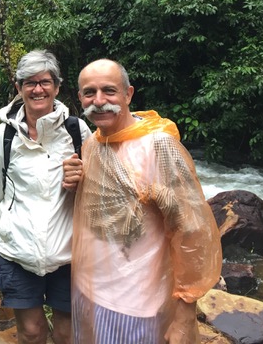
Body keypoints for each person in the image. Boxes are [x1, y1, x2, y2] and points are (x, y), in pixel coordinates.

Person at [64, 58, 222, 343]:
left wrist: (185, 312)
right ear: (80, 98)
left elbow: (192, 230)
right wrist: (72, 184)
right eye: (89, 93)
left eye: (109, 91)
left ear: (128, 94)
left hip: (139, 302)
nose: (99, 101)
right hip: (89, 291)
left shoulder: (159, 146)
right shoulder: (91, 145)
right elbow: (102, 211)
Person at [0, 49, 92, 344]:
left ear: (57, 86)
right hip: (16, 251)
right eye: (30, 83)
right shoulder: (5, 135)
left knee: (67, 334)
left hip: (68, 254)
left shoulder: (77, 131)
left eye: (45, 82)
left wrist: (82, 182)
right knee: (30, 332)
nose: (38, 89)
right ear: (19, 88)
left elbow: (102, 194)